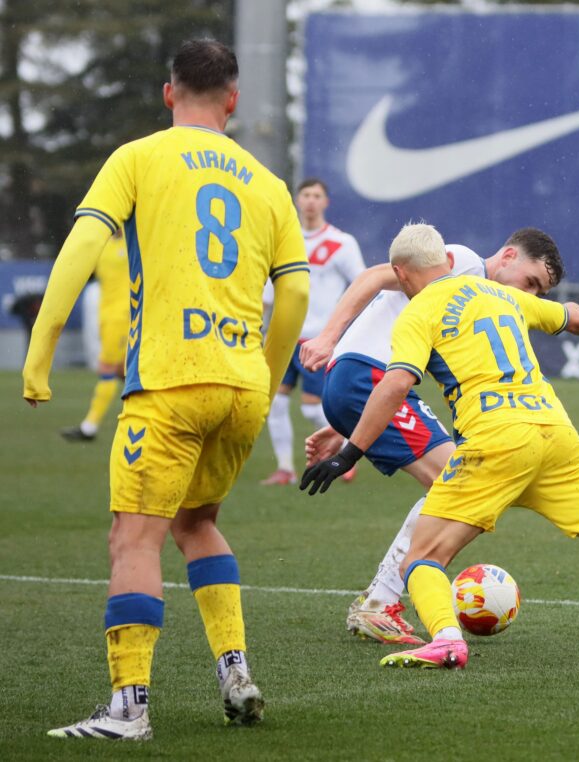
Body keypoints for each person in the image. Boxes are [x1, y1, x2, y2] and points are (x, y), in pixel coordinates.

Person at [22, 39, 310, 738]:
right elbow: (296, 292)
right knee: (196, 523)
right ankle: (234, 670)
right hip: (241, 385)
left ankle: (129, 708)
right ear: (233, 101)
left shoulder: (139, 157)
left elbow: (84, 246)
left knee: (134, 538)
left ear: (168, 92)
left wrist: (41, 350)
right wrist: (267, 378)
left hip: (172, 381)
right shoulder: (268, 184)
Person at [300, 223, 579, 673]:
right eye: (533, 281)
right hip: (552, 430)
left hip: (476, 430)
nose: (531, 289)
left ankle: (436, 633)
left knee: (427, 549)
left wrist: (350, 448)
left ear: (404, 276)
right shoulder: (486, 283)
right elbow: (566, 316)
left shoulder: (422, 310)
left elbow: (399, 381)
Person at [300, 227, 571, 645]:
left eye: (540, 292)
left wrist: (347, 428)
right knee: (459, 478)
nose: (531, 296)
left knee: (460, 478)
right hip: (365, 376)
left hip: (363, 384)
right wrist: (327, 335)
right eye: (531, 283)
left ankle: (381, 599)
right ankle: (380, 602)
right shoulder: (461, 264)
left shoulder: (479, 299)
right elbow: (374, 276)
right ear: (508, 256)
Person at [260, 178, 365, 485]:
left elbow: (361, 284)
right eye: (305, 195)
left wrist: (342, 328)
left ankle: (345, 451)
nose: (310, 201)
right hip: (283, 337)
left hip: (317, 338)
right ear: (297, 200)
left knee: (310, 408)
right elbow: (269, 291)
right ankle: (285, 469)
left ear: (325, 202)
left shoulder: (340, 242)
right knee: (275, 404)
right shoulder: (283, 240)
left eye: (316, 195)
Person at [61, 229, 129, 442]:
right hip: (106, 316)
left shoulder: (132, 241)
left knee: (107, 368)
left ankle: (89, 427)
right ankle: (154, 418)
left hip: (124, 316)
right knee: (122, 371)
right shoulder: (103, 245)